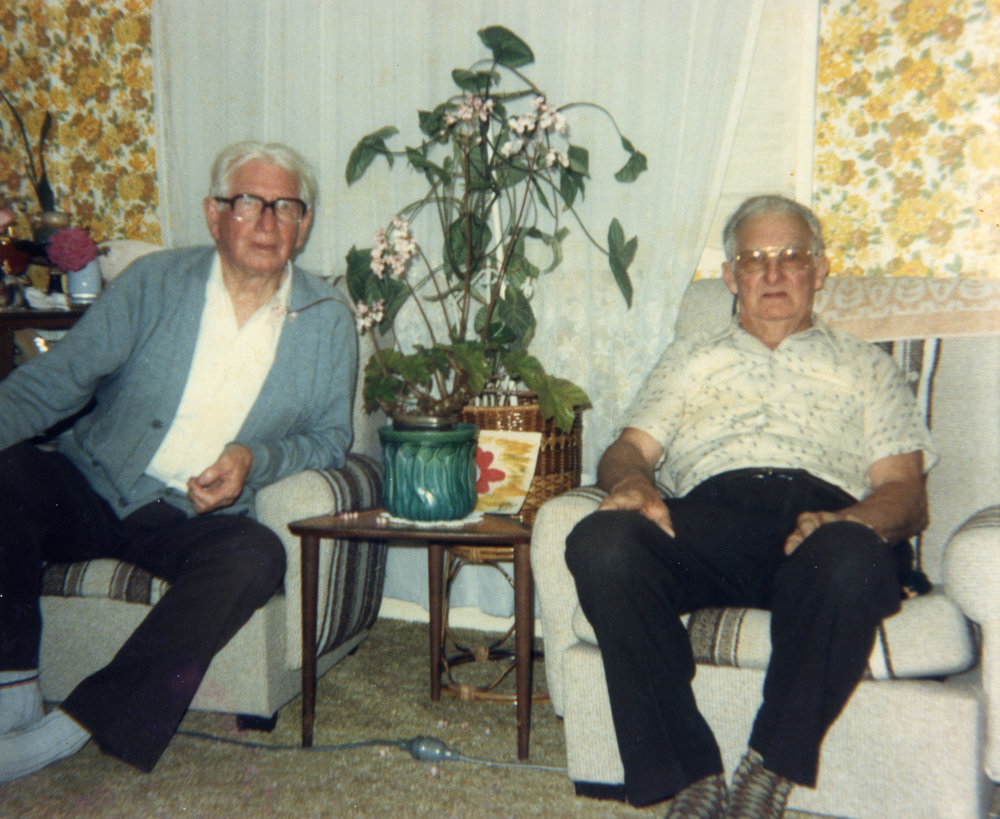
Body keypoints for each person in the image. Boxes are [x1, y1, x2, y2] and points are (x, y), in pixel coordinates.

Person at [564, 195, 935, 818]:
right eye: (754, 260)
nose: (772, 274)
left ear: (818, 271)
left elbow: (905, 493)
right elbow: (629, 449)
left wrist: (850, 521)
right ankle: (689, 777)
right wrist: (632, 483)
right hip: (713, 517)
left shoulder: (867, 367)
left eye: (791, 257)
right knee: (599, 541)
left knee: (852, 558)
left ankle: (769, 768)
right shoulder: (691, 357)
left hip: (824, 531)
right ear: (730, 277)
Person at [0, 141, 357, 782]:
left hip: (195, 515)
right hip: (95, 481)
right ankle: (10, 691)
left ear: (304, 225)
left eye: (286, 207)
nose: (268, 222)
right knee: (8, 474)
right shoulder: (154, 282)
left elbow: (330, 439)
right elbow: (57, 383)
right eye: (249, 202)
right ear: (213, 214)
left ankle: (73, 724)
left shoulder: (328, 319)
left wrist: (255, 458)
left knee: (255, 557)